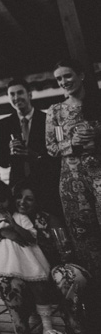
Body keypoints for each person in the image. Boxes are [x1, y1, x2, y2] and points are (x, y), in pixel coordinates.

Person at [0, 180, 57, 334]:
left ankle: (47, 326)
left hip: (24, 258)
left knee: (38, 286)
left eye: (2, 200)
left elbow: (31, 238)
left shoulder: (19, 216)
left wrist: (14, 225)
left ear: (9, 199)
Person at [11, 181, 94, 334]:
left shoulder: (49, 219)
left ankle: (71, 320)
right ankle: (20, 325)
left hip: (50, 268)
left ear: (37, 201)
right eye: (19, 197)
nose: (22, 202)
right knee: (2, 279)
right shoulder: (9, 219)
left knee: (71, 275)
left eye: (29, 199)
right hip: (21, 271)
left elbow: (66, 251)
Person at [46, 58, 101, 277]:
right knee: (84, 238)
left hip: (98, 176)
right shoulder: (56, 111)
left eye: (67, 76)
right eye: (59, 78)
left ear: (82, 76)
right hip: (71, 184)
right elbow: (51, 147)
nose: (63, 81)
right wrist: (72, 143)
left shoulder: (97, 103)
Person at [0, 79, 62, 217]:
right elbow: (2, 162)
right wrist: (8, 150)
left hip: (45, 183)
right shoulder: (4, 124)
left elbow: (58, 156)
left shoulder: (47, 120)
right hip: (18, 187)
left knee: (51, 222)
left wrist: (36, 156)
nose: (16, 97)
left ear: (30, 94)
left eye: (20, 93)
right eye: (12, 94)